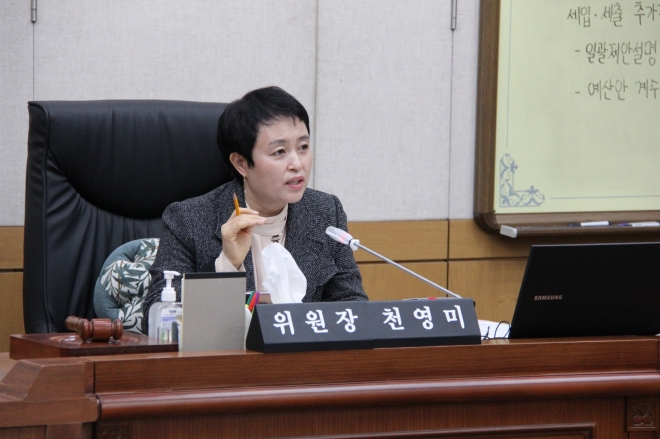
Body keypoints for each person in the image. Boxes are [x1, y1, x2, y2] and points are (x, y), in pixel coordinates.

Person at [142, 86, 367, 334]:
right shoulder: (188, 220)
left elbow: (353, 307)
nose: (297, 163)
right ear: (241, 163)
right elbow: (160, 322)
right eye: (279, 152)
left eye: (303, 147)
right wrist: (226, 264)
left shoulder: (325, 213)